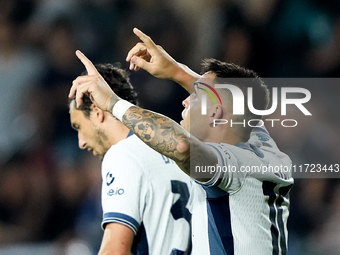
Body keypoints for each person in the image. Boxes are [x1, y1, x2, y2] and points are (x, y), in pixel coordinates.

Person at [70, 28, 294, 255]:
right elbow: (229, 100)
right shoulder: (262, 144)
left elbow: (181, 146)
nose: (186, 101)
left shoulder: (231, 164)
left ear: (215, 112)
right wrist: (175, 71)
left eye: (195, 97)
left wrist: (113, 103)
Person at [69, 63, 193, 255]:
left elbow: (115, 250)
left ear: (96, 111)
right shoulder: (180, 153)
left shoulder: (123, 155)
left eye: (78, 127)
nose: (81, 142)